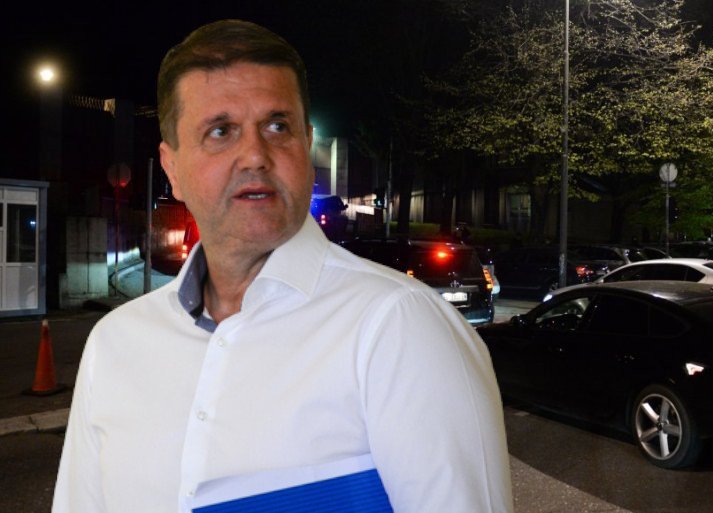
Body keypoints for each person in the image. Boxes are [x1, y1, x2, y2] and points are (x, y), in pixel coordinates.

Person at [53, 19, 513, 513]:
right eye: (220, 131)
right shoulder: (114, 344)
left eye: (278, 126)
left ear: (305, 146)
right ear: (172, 169)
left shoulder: (399, 328)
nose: (255, 155)